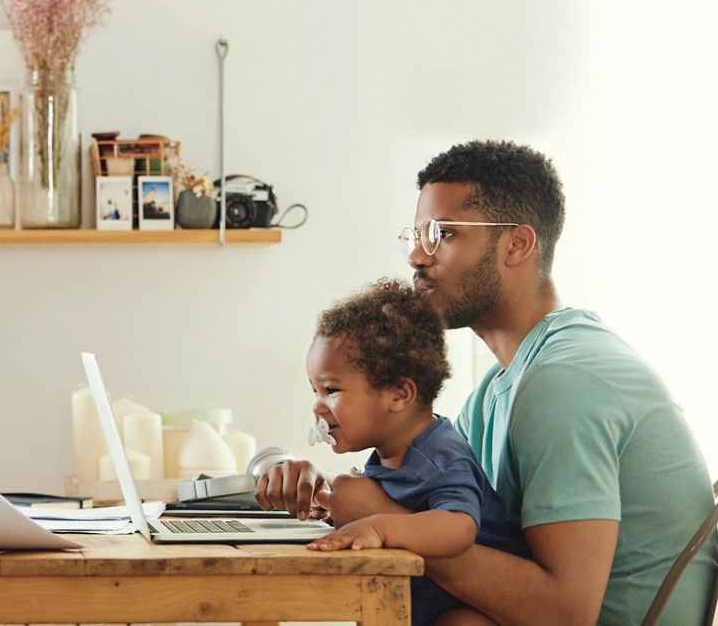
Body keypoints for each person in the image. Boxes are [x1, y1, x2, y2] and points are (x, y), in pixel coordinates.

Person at [255, 140, 717, 624]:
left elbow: (565, 613)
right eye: (416, 235)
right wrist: (327, 492)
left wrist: (387, 520)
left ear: (516, 244)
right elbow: (449, 512)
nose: (416, 255)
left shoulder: (567, 380)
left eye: (443, 234)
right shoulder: (497, 390)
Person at [301, 278, 526, 626]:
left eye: (331, 389)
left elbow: (459, 527)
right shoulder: (391, 452)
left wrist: (378, 526)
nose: (318, 406)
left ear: (399, 394)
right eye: (314, 390)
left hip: (482, 611)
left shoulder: (439, 455)